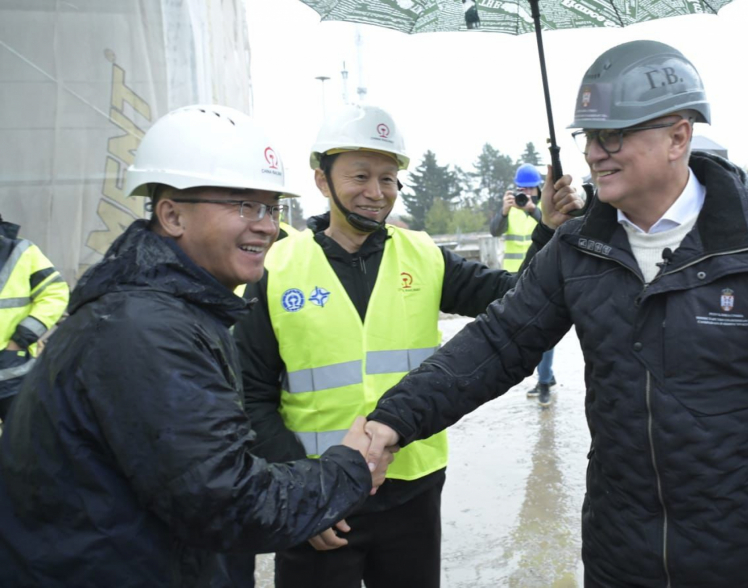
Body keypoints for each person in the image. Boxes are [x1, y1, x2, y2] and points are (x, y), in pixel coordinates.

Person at [365, 40, 748, 587]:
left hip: (745, 561)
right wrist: (394, 419)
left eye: (612, 135)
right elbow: (496, 343)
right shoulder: (576, 249)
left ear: (678, 137)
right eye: (588, 137)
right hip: (619, 558)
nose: (594, 153)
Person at [0, 104, 394, 588]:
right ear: (172, 215)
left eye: (271, 208)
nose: (267, 226)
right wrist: (348, 469)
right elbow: (228, 502)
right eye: (244, 205)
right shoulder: (143, 332)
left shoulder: (175, 311)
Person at [233, 103, 580, 588]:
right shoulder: (277, 267)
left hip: (412, 489)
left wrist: (548, 229)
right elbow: (250, 395)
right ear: (321, 180)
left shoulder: (424, 256)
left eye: (388, 179)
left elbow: (518, 301)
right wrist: (299, 495)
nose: (376, 192)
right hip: (317, 495)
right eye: (360, 176)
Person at [490, 163, 557, 406]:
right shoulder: (511, 209)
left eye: (530, 189)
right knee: (526, 330)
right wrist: (504, 211)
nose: (526, 193)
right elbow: (495, 231)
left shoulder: (545, 209)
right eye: (522, 189)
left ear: (538, 188)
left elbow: (552, 227)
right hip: (514, 278)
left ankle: (545, 381)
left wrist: (532, 209)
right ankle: (546, 376)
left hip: (542, 276)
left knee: (544, 330)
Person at [0, 215, 69, 422]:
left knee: (19, 435)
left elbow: (55, 294)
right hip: (13, 364)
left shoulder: (22, 251)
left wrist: (21, 339)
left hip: (12, 371)